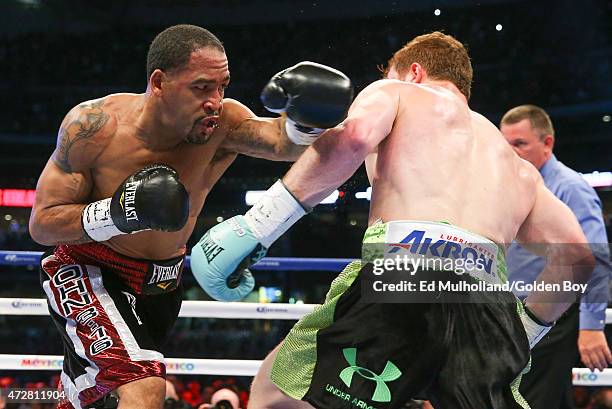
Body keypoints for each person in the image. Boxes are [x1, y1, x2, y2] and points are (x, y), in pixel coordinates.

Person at [191, 32, 596, 409]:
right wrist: (522, 334)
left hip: (402, 275)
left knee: (274, 392)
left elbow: (352, 140)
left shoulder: (398, 93)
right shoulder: (516, 165)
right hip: (488, 307)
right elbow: (578, 256)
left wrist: (258, 226)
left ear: (414, 72)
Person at [28, 24, 353, 409]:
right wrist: (117, 213)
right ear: (160, 82)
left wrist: (305, 120)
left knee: (93, 395)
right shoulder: (94, 127)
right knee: (143, 386)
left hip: (163, 284)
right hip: (90, 270)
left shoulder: (223, 123)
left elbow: (283, 143)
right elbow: (42, 224)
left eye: (222, 86)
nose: (215, 100)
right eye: (201, 88)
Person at [500, 105, 612, 409]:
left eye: (520, 143)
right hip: (515, 314)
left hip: (553, 316)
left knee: (529, 400)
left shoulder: (569, 187)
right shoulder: (512, 188)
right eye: (505, 143)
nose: (510, 152)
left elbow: (597, 259)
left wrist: (591, 326)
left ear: (547, 143)